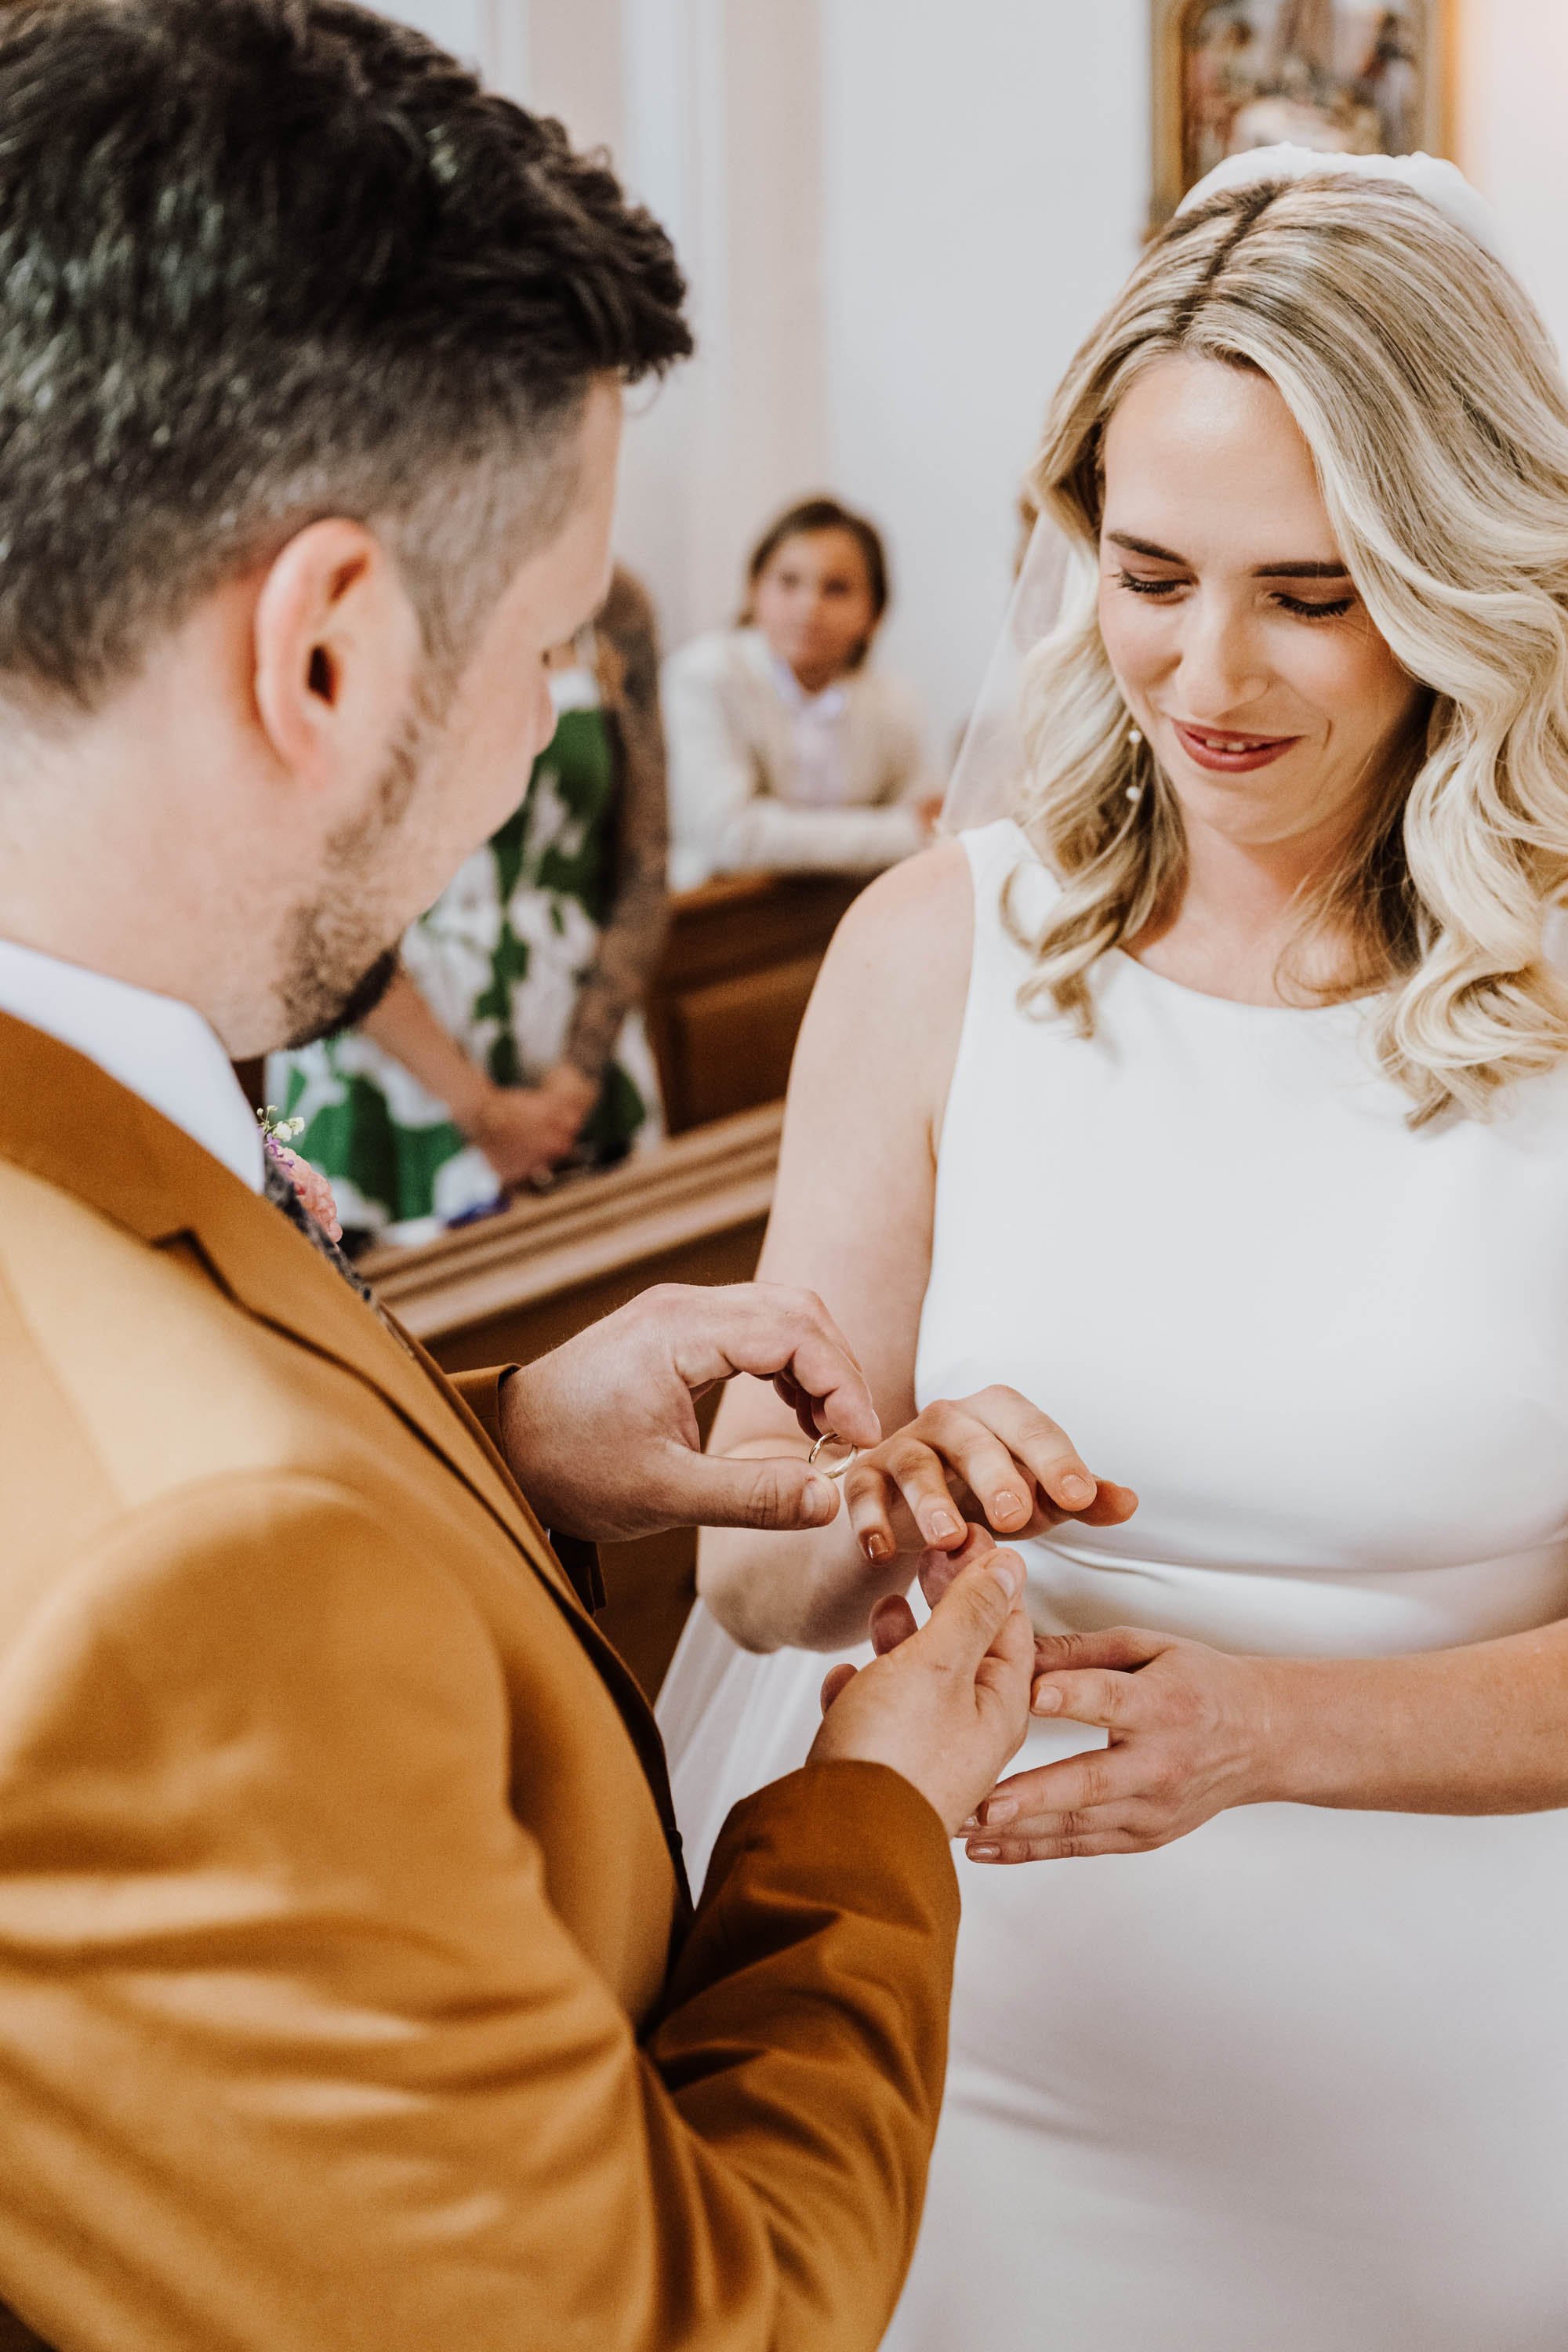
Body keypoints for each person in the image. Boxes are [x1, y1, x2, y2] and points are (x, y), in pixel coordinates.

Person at [0, 5, 1044, 2345]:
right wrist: (864, 1803)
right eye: (555, 639)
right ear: (328, 647)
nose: (563, 718)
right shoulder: (199, 1585)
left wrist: (499, 1460)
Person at [659, 147, 1568, 2348]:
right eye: (1147, 571)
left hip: (1439, 2079)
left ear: (1463, 575)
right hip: (973, 2055)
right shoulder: (937, 949)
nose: (1205, 670)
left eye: (1312, 593)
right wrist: (874, 1502)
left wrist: (1266, 1734)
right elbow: (756, 1589)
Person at [269, 565, 670, 1247]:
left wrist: (574, 1081)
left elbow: (644, 860)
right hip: (388, 1059)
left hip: (576, 1054)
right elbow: (320, 901)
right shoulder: (345, 603)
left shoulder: (612, 600)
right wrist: (480, 1110)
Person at [664, 495, 939, 888]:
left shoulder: (895, 700)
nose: (809, 607)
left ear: (874, 614)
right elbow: (728, 835)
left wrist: (914, 827)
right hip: (718, 919)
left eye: (837, 589)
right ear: (753, 590)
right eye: (788, 582)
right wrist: (900, 834)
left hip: (839, 909)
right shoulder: (703, 677)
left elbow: (932, 814)